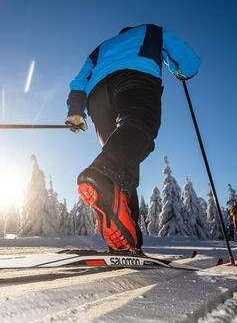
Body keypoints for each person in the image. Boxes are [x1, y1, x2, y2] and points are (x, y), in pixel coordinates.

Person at [65, 24, 200, 253]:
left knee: (121, 160)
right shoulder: (151, 31)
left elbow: (80, 80)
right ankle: (100, 174)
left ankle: (128, 239)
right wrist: (181, 71)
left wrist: (75, 110)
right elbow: (188, 63)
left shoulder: (102, 47)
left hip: (97, 95)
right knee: (138, 126)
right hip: (135, 77)